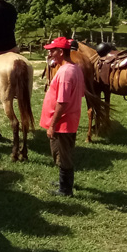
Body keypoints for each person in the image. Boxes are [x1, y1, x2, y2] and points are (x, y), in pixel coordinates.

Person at [40, 36, 85, 197]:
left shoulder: (65, 73)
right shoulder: (75, 68)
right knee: (62, 152)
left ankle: (65, 190)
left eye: (52, 51)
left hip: (62, 123)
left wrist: (53, 124)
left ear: (61, 51)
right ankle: (63, 182)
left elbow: (63, 101)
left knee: (62, 154)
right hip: (69, 120)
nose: (50, 54)